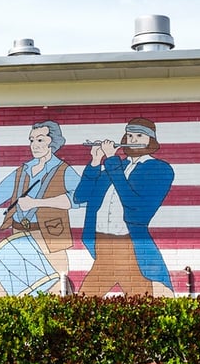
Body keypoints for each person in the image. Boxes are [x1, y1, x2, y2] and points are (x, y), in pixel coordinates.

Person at [0, 120, 79, 295]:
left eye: (40, 140)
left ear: (52, 141)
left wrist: (37, 203)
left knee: (56, 290)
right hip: (20, 240)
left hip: (50, 239)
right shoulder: (22, 171)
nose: (34, 145)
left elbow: (80, 199)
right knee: (1, 294)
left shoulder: (64, 170)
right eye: (31, 140)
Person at [74, 117, 175, 297]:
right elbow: (80, 196)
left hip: (128, 247)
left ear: (150, 141)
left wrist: (112, 161)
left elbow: (136, 207)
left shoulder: (158, 169)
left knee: (141, 302)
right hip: (102, 245)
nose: (133, 140)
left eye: (139, 136)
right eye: (129, 135)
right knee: (85, 300)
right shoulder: (115, 168)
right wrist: (95, 162)